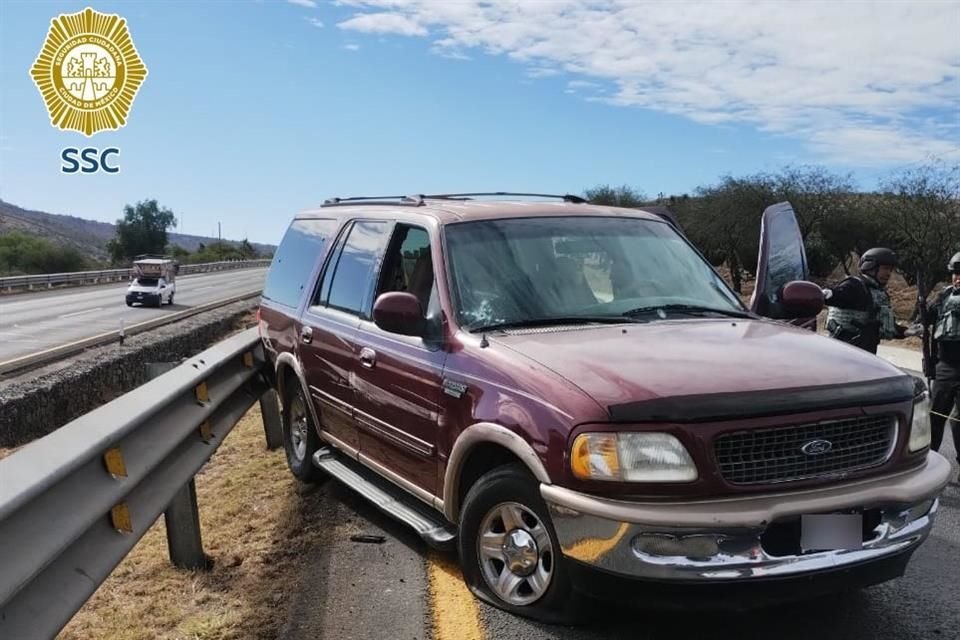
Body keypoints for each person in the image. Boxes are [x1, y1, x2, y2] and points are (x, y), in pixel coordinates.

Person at [822, 247, 908, 354]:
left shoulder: (879, 293)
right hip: (842, 352)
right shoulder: (855, 286)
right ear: (871, 267)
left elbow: (884, 326)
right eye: (885, 268)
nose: (888, 273)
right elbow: (838, 295)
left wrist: (906, 332)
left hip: (866, 355)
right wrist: (828, 294)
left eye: (890, 270)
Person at [924, 252, 960, 467]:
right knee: (934, 417)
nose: (958, 277)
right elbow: (927, 318)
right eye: (956, 273)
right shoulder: (944, 296)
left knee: (958, 422)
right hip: (945, 367)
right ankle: (928, 461)